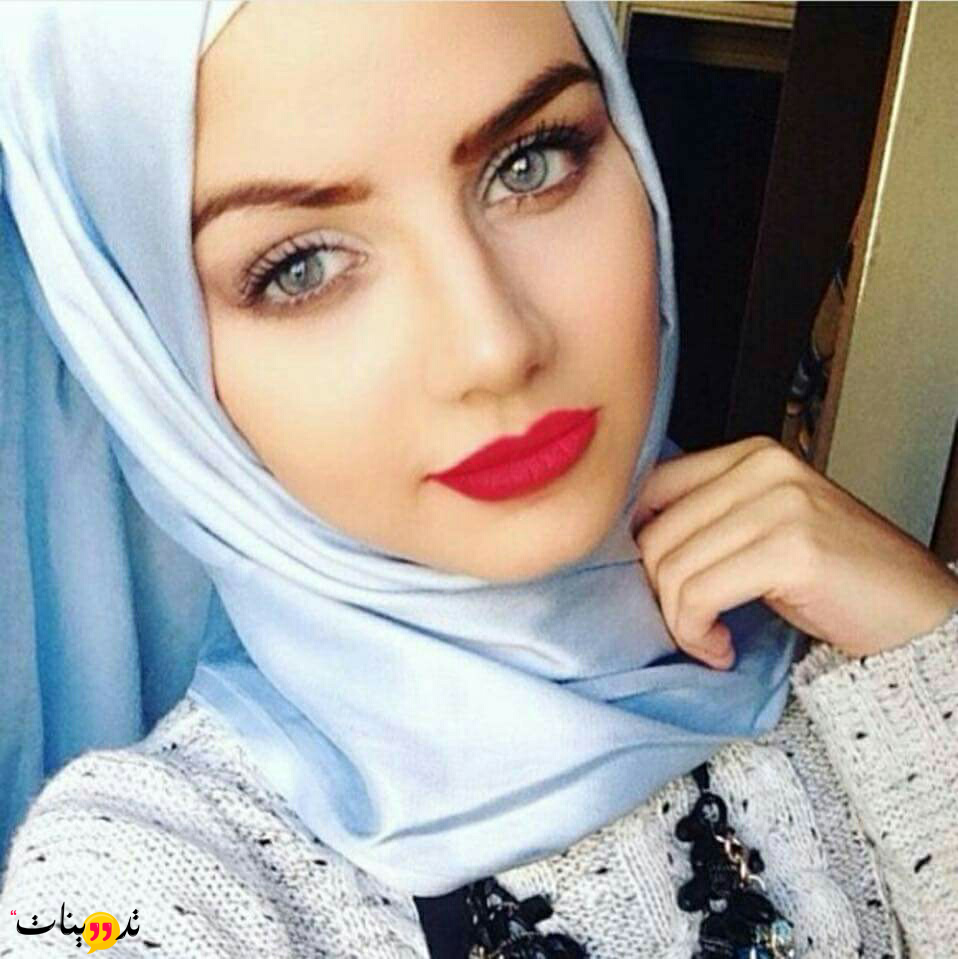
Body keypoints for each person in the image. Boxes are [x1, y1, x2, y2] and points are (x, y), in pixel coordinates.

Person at [0, 2, 956, 957]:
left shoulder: (866, 655)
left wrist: (934, 650)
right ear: (150, 352)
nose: (493, 346)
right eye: (302, 268)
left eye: (530, 162)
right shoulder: (136, 886)